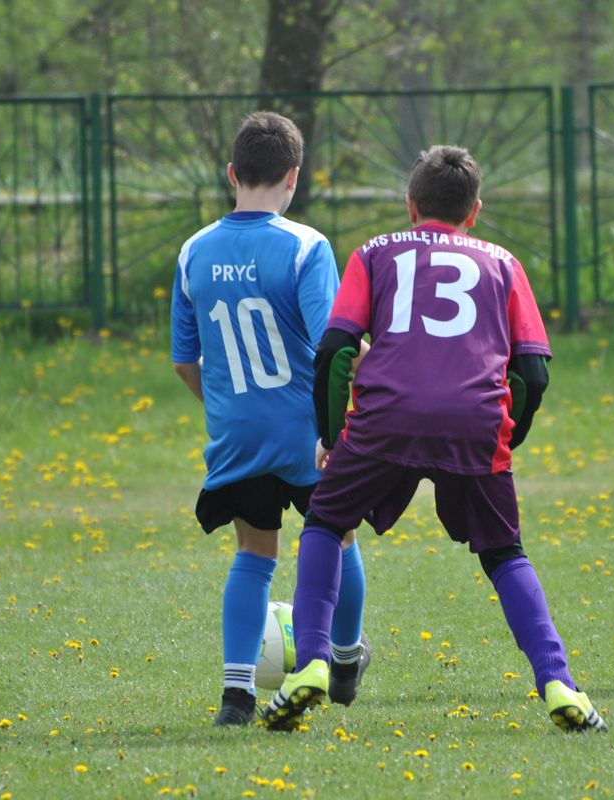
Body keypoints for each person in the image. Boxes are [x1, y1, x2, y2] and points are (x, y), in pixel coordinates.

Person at [262, 145, 606, 733]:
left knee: (325, 523)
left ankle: (313, 663)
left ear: (410, 205)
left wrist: (330, 434)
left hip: (386, 418)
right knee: (504, 553)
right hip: (475, 424)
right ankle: (558, 683)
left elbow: (336, 349)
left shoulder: (374, 253)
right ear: (475, 211)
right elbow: (533, 372)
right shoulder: (504, 263)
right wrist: (505, 438)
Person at [171, 111, 371, 727]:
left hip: (238, 434)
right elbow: (334, 343)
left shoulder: (194, 250)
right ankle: (344, 657)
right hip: (307, 433)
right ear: (293, 176)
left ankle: (236, 696)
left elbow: (183, 360)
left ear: (232, 173)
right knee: (337, 537)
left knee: (254, 554)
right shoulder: (305, 246)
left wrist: (228, 406)